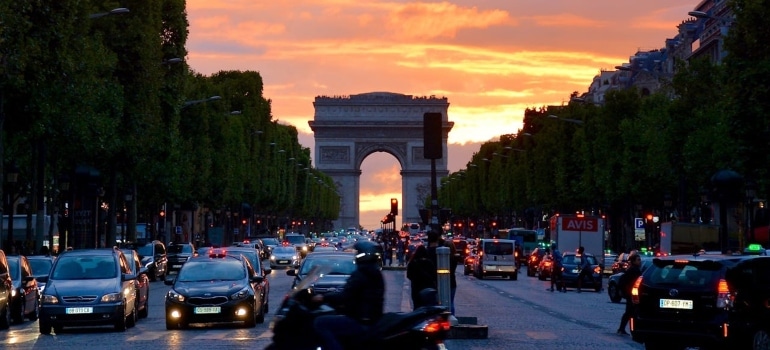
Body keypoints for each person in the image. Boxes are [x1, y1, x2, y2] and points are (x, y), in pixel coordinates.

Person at [312, 240, 385, 350]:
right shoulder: (374, 272)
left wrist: (323, 297)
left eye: (357, 253)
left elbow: (345, 295)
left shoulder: (362, 274)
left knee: (320, 323)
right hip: (368, 319)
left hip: (361, 321)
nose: (355, 255)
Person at [617, 253, 642, 335]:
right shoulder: (634, 270)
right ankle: (625, 329)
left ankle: (623, 328)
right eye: (638, 260)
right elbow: (623, 281)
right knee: (630, 312)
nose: (640, 261)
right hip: (632, 294)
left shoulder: (633, 269)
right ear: (633, 261)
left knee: (630, 312)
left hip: (631, 294)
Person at [406, 245, 437, 310]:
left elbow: (409, 275)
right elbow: (434, 275)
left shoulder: (413, 263)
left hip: (416, 288)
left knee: (417, 307)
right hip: (428, 287)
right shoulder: (429, 263)